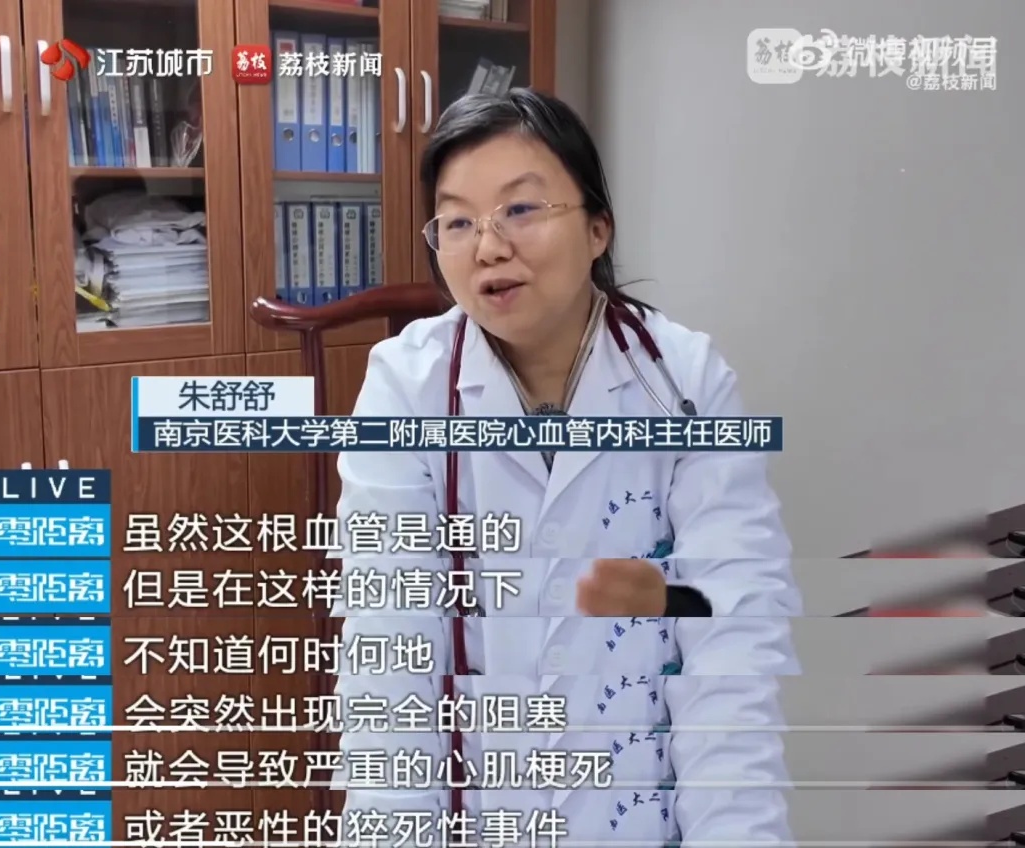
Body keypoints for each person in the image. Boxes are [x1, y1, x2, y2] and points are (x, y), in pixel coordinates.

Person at [331, 89, 802, 846]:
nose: (488, 247)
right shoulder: (407, 384)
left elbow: (730, 652)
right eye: (458, 222)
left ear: (596, 228)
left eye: (520, 209)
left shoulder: (685, 380)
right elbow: (388, 659)